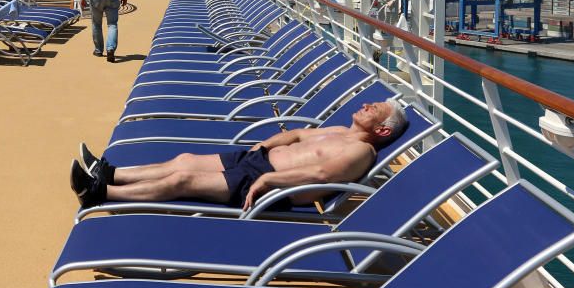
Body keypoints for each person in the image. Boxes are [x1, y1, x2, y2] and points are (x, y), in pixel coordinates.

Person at [70, 99, 408, 210]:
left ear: (381, 131)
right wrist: (265, 145)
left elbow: (320, 176)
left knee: (183, 179)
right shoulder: (338, 131)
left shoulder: (361, 152)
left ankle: (99, 194)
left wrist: (269, 179)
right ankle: (109, 172)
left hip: (269, 186)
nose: (365, 105)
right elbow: (297, 133)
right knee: (185, 160)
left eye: (373, 109)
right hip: (257, 163)